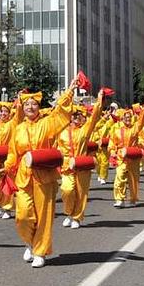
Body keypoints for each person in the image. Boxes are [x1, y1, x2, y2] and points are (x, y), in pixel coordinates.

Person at [3, 79, 78, 268]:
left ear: (39, 107)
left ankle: (40, 251)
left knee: (44, 215)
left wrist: (69, 91)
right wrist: (7, 165)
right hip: (23, 176)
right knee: (22, 214)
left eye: (34, 104)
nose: (30, 107)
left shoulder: (47, 124)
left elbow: (61, 112)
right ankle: (29, 242)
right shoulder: (18, 129)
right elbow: (13, 152)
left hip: (44, 176)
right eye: (27, 104)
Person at [59, 93, 106, 228]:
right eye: (73, 115)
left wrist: (99, 101)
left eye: (79, 115)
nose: (75, 117)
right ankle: (68, 213)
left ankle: (77, 218)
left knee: (80, 192)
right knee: (67, 190)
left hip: (81, 165)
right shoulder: (62, 132)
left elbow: (95, 117)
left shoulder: (85, 130)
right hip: (67, 167)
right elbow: (58, 148)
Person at [110, 102, 144, 208]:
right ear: (122, 119)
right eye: (126, 117)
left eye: (129, 117)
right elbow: (112, 142)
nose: (128, 119)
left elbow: (142, 120)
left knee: (133, 179)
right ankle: (120, 199)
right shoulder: (117, 131)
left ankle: (133, 198)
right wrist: (112, 152)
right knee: (119, 177)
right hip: (121, 158)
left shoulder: (135, 128)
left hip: (133, 158)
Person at [0, 100, 21, 219]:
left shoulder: (13, 124)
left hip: (8, 158)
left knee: (7, 183)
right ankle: (0, 204)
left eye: (5, 111)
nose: (3, 114)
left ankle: (7, 208)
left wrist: (19, 101)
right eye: (1, 111)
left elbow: (19, 114)